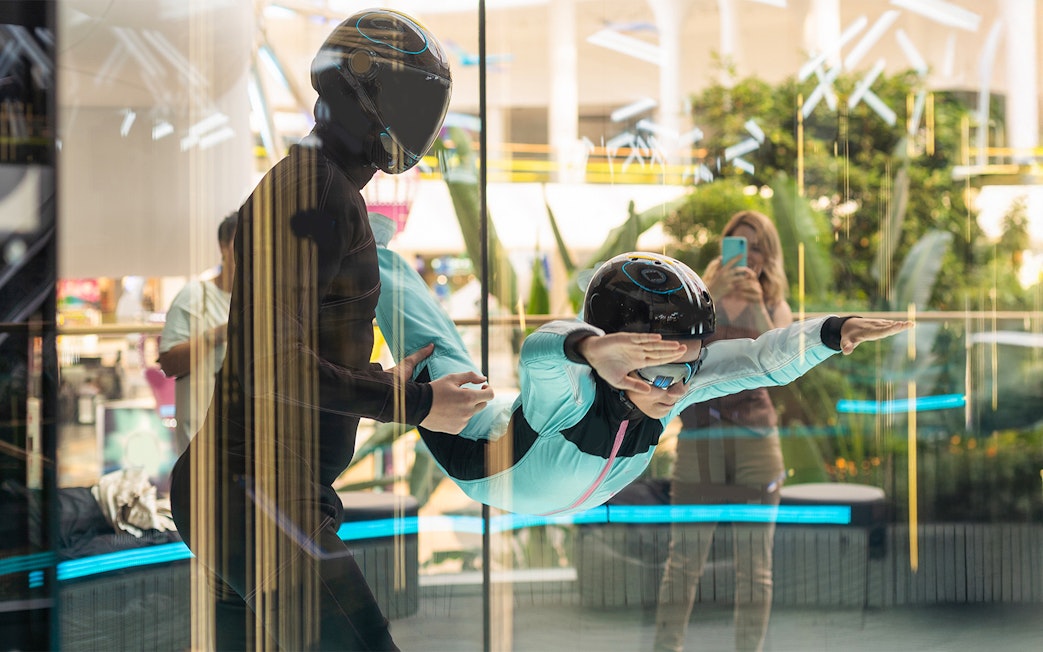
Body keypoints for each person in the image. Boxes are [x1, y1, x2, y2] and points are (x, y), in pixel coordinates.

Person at [168, 10, 491, 651]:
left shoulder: (321, 186)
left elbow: (292, 353)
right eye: (405, 99)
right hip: (255, 494)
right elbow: (273, 365)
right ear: (354, 88)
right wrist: (418, 403)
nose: (415, 124)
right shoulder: (311, 193)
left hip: (257, 493)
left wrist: (381, 381)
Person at [372, 219, 912, 517]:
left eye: (686, 363)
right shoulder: (571, 393)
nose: (675, 385)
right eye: (653, 366)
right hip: (489, 467)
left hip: (559, 492)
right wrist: (587, 349)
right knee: (437, 359)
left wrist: (831, 333)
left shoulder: (681, 380)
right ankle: (366, 246)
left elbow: (760, 359)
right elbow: (540, 351)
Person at [653, 210, 792, 652]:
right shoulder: (699, 294)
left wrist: (755, 308)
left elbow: (779, 369)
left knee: (756, 569)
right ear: (724, 247)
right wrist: (708, 295)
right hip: (700, 439)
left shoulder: (774, 304)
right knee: (683, 562)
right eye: (737, 244)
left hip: (756, 441)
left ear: (768, 256)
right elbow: (676, 351)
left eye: (755, 246)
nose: (746, 254)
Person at [157, 213, 237, 454]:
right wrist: (217, 335)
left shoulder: (266, 303)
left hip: (246, 444)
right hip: (199, 442)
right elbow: (169, 363)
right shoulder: (195, 296)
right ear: (223, 247)